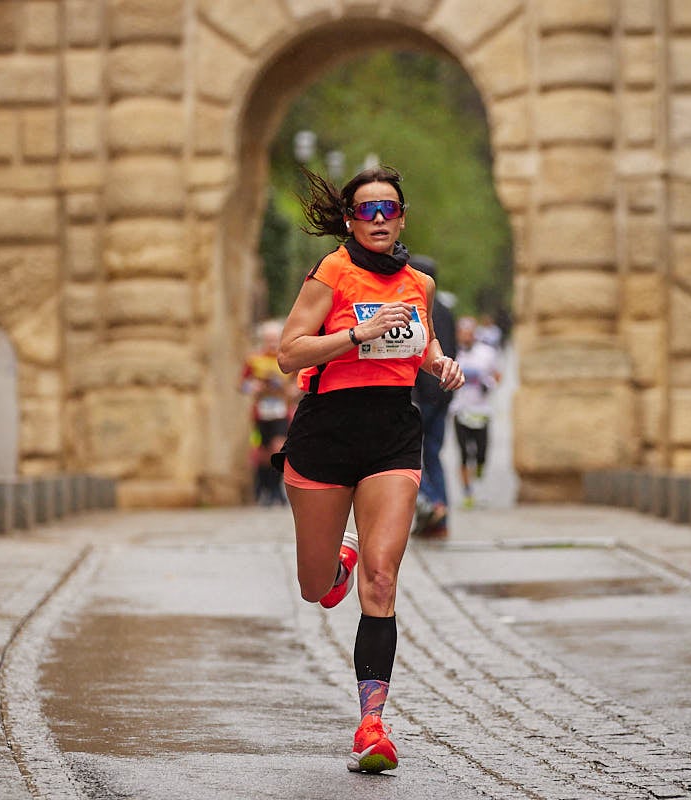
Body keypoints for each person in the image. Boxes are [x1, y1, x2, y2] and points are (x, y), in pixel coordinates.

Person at [273, 165, 463, 774]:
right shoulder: (331, 272)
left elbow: (421, 342)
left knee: (381, 581)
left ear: (402, 217)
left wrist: (439, 365)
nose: (378, 220)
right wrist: (356, 334)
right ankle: (336, 563)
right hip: (326, 432)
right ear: (351, 220)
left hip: (391, 433)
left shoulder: (420, 284)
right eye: (366, 211)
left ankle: (372, 727)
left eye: (389, 209)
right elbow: (288, 353)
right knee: (316, 590)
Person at [409, 256, 456, 539]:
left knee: (407, 456)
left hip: (419, 395)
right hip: (442, 393)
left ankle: (432, 504)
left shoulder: (415, 308)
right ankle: (441, 516)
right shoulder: (447, 312)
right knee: (434, 456)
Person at [241, 319, 295, 506]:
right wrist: (252, 386)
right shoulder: (254, 359)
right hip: (260, 413)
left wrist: (293, 390)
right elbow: (242, 383)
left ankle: (276, 489)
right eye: (268, 339)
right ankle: (264, 488)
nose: (272, 343)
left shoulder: (288, 358)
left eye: (275, 339)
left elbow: (299, 381)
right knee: (262, 453)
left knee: (278, 448)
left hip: (281, 412)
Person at [450, 316, 501, 509]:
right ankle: (467, 493)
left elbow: (497, 374)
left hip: (482, 411)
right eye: (463, 333)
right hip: (460, 410)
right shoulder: (453, 353)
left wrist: (491, 385)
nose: (466, 337)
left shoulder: (487, 353)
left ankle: (479, 469)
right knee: (463, 454)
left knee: (481, 455)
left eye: (469, 333)